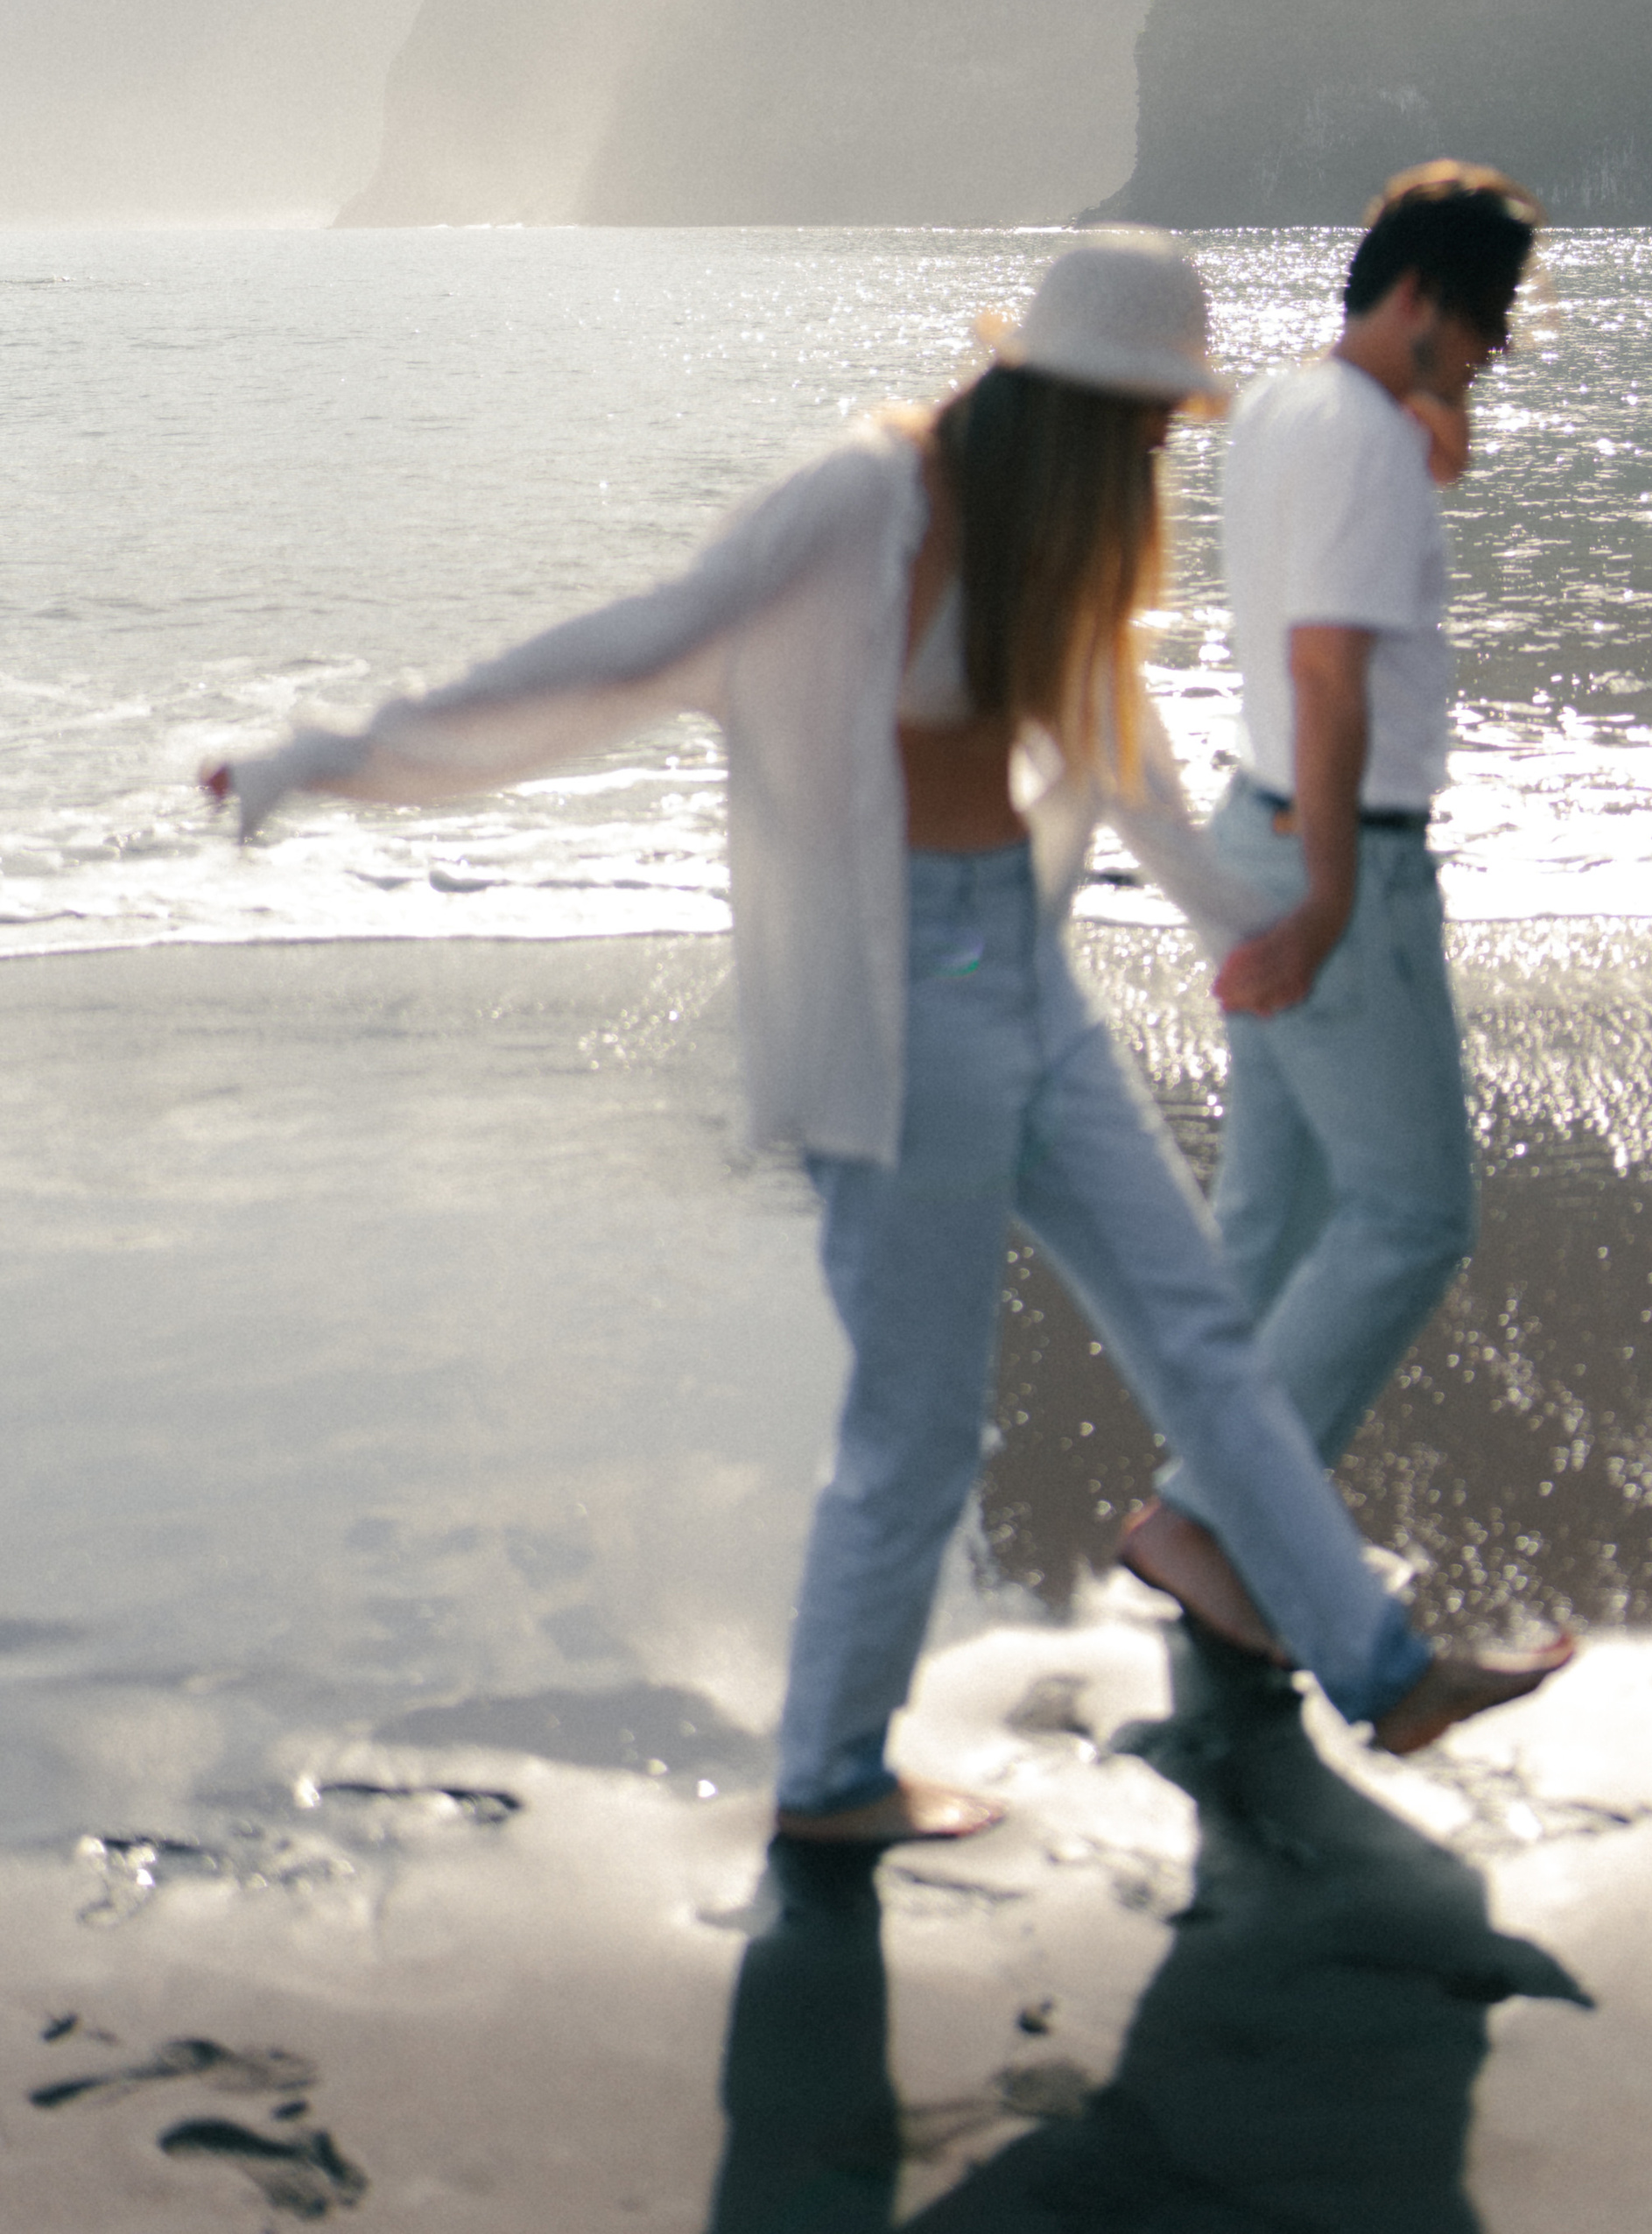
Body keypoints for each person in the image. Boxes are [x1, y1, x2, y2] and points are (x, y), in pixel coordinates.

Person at [206, 230, 1568, 1848]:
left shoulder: (1043, 525)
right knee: (920, 1424)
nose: (1157, 449)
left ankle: (1382, 1669)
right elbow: (641, 639)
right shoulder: (867, 498)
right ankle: (834, 1778)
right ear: (1067, 397)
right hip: (896, 995)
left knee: (1198, 1326)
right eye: (1144, 418)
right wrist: (331, 757)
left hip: (1022, 973)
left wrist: (1227, 922)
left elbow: (1111, 736)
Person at [1119, 168, 1543, 1656]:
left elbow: (1434, 471)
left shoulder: (1297, 407)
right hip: (1333, 844)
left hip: (1261, 824)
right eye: (1484, 327)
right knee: (1414, 1217)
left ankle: (1216, 1550)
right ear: (1420, 298)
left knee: (1277, 1218)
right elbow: (1328, 673)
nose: (1491, 357)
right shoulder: (1362, 440)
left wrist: (1446, 403)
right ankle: (1211, 1516)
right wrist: (1333, 905)